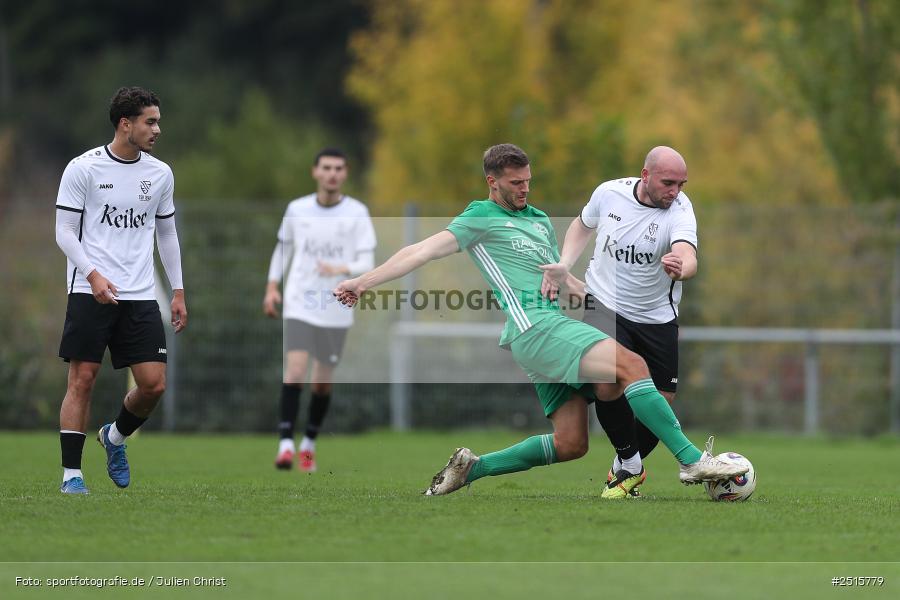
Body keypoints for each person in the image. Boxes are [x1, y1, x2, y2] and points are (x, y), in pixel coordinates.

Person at [333, 143, 745, 497]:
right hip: (533, 329)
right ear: (492, 182)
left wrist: (578, 286)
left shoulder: (539, 220)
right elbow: (421, 251)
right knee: (631, 367)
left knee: (571, 444)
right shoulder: (480, 217)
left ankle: (471, 468)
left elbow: (559, 281)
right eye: (515, 183)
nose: (524, 189)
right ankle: (691, 461)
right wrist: (364, 281)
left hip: (551, 324)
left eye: (528, 180)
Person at [54, 86, 186, 495]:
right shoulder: (84, 168)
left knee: (153, 385)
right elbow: (63, 232)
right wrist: (92, 275)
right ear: (125, 124)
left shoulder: (160, 173)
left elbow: (167, 233)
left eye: (158, 121)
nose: (157, 129)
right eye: (150, 121)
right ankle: (72, 476)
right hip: (89, 289)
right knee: (83, 378)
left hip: (140, 293)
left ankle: (113, 437)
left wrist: (178, 290)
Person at [549, 146, 697, 496]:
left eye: (681, 184)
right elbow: (582, 225)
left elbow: (689, 256)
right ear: (645, 175)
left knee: (661, 403)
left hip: (657, 317)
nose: (675, 191)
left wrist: (682, 267)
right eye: (668, 182)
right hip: (604, 303)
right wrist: (565, 263)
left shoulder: (680, 210)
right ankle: (630, 461)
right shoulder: (609, 193)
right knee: (608, 381)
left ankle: (623, 467)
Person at [263, 148, 376, 472]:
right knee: (295, 371)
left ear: (346, 173)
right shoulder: (297, 209)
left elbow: (366, 262)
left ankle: (308, 445)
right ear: (315, 172)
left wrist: (340, 267)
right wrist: (272, 287)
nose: (332, 174)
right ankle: (285, 444)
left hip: (336, 307)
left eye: (338, 168)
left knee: (322, 383)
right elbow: (282, 250)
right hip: (299, 302)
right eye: (326, 168)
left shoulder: (356, 212)